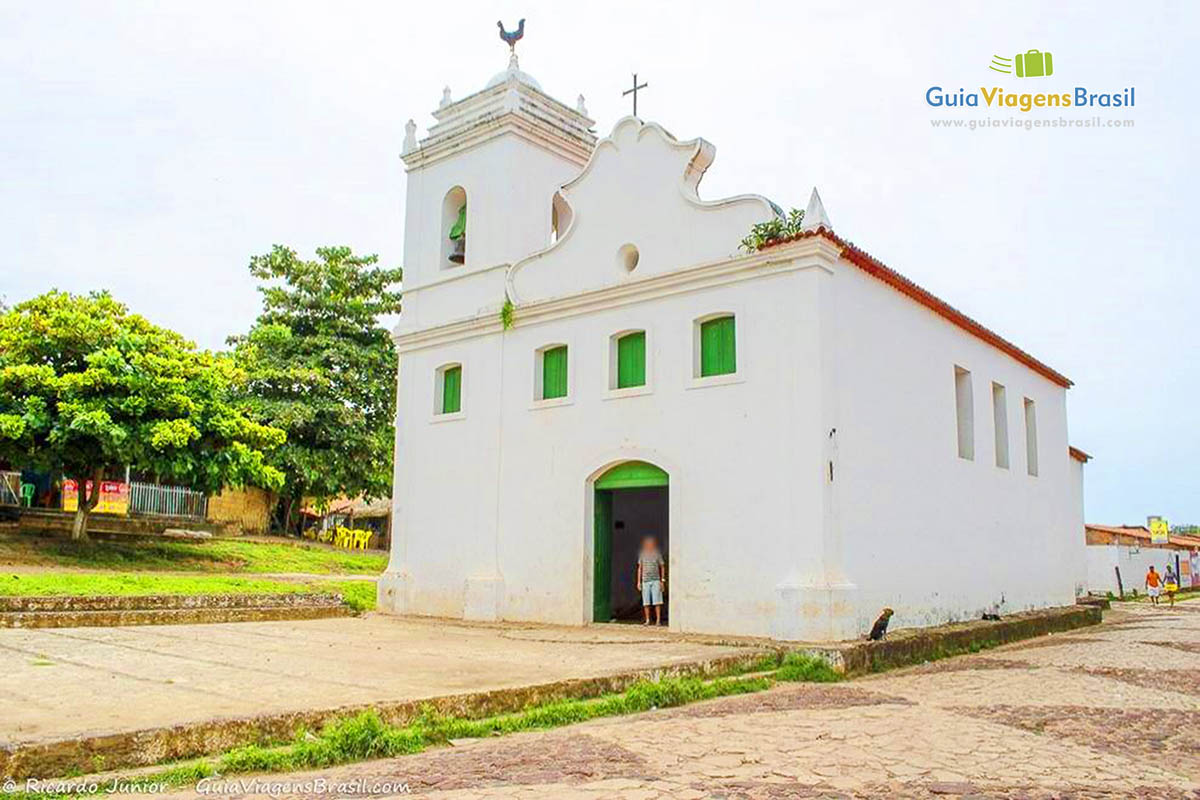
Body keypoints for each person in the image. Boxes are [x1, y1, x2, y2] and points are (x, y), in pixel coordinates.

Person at [636, 536, 666, 626]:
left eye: (651, 544)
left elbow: (662, 566)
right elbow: (640, 568)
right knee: (646, 602)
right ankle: (648, 620)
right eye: (648, 544)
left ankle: (658, 620)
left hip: (656, 580)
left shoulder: (657, 554)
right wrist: (638, 582)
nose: (649, 545)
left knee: (657, 601)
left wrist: (662, 580)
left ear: (654, 545)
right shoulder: (642, 554)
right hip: (645, 581)